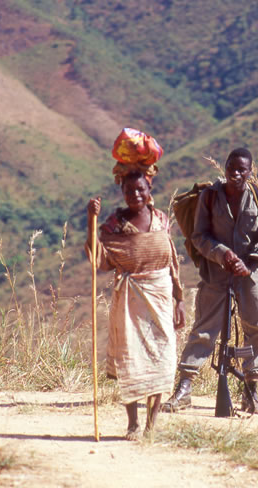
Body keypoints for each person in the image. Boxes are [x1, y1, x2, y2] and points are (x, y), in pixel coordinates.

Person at [162, 147, 258, 415]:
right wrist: (223, 254)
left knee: (255, 328)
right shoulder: (209, 196)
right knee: (205, 328)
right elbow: (199, 236)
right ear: (224, 168)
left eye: (242, 169)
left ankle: (250, 389)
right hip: (216, 271)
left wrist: (246, 265)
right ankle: (184, 388)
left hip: (249, 273)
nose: (235, 173)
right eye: (231, 168)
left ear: (250, 172)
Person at [86, 164, 185, 439]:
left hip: (161, 295)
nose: (135, 194)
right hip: (129, 299)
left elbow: (172, 261)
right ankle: (133, 423)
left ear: (149, 189)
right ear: (122, 191)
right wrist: (89, 220)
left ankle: (153, 424)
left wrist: (179, 299)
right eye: (129, 190)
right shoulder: (113, 226)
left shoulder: (162, 220)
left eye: (140, 189)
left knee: (163, 357)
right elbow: (100, 260)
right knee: (130, 358)